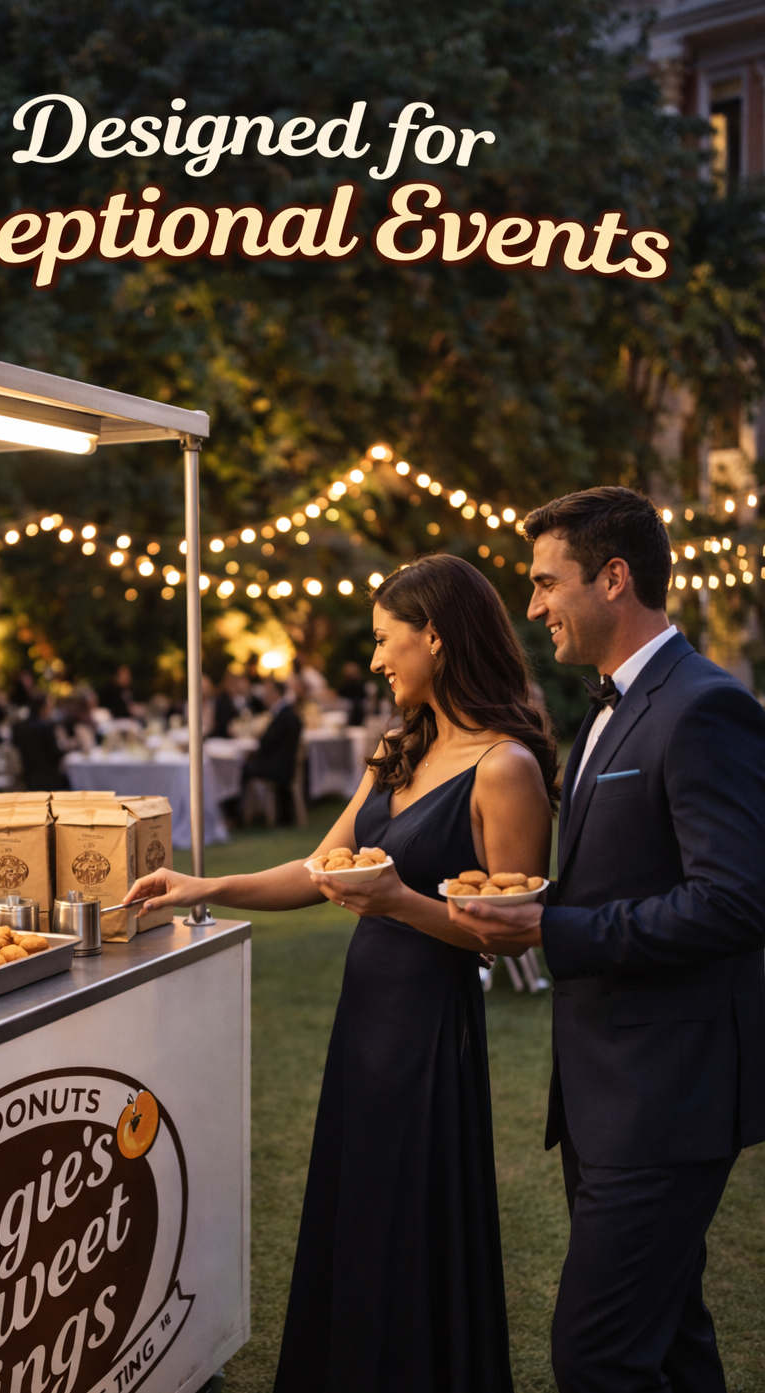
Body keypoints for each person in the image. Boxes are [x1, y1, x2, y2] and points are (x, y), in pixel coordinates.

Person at [124, 554, 558, 1392]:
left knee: (410, 1221)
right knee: (355, 1216)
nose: (373, 659)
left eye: (384, 639)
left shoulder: (507, 767)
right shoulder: (396, 751)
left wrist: (400, 903)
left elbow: (513, 936)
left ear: (435, 636)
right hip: (364, 1020)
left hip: (432, 1030)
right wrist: (203, 884)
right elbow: (319, 869)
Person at [449, 487, 765, 1393]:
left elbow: (737, 902)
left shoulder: (703, 706)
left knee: (597, 1355)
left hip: (667, 1095)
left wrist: (552, 926)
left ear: (614, 578)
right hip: (603, 1090)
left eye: (548, 584)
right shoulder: (605, 709)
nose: (535, 606)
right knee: (670, 1341)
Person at [241, 676, 303, 824]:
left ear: (276, 693)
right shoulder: (290, 714)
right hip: (287, 766)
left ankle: (244, 816)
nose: (265, 696)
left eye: (267, 692)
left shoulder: (283, 716)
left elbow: (266, 743)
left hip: (279, 768)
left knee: (244, 768)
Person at [11, 694, 66, 791]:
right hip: (50, 780)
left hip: (29, 780)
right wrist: (68, 747)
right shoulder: (45, 728)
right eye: (49, 706)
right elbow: (55, 756)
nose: (51, 710)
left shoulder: (19, 727)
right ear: (43, 708)